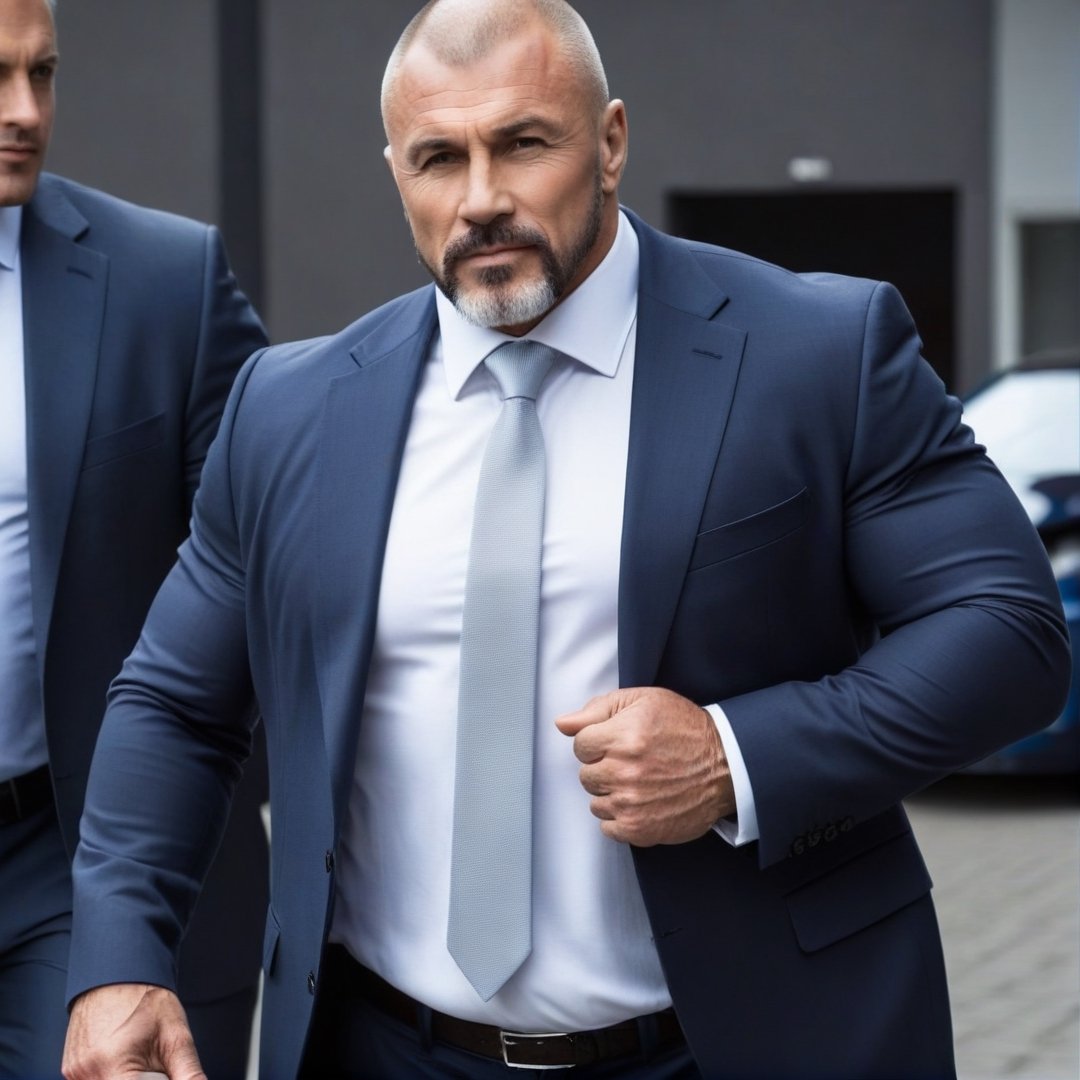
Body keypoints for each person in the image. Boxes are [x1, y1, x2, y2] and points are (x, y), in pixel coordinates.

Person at [61, 1, 1071, 1078]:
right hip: (383, 1050)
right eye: (439, 158)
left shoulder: (818, 354)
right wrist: (117, 958)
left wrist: (734, 758)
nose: (482, 198)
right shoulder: (290, 408)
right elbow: (175, 703)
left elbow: (1007, 632)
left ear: (611, 142)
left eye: (524, 143)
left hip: (742, 1043)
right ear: (396, 171)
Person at [0, 0, 269, 1076]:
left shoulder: (167, 284)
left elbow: (272, 548)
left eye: (44, 74)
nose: (25, 112)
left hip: (76, 855)